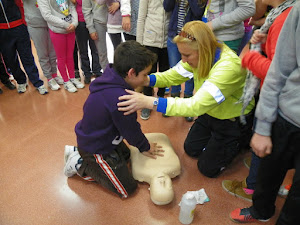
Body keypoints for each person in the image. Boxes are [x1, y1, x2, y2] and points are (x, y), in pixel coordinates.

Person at [118, 21, 255, 178]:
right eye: (182, 54)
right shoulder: (201, 54)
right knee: (191, 149)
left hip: (231, 120)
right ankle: (217, 141)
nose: (183, 60)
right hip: (210, 112)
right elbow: (173, 75)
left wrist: (149, 101)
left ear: (202, 50)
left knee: (207, 169)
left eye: (187, 55)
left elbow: (195, 106)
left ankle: (241, 140)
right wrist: (145, 80)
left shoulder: (228, 67)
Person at [64, 41, 164, 198]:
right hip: (95, 148)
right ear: (131, 73)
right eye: (144, 75)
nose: (146, 79)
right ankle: (79, 164)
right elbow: (131, 130)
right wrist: (145, 147)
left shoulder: (113, 75)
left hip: (106, 138)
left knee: (127, 157)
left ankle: (83, 156)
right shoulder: (121, 99)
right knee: (127, 189)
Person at [230, 2, 300, 223]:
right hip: (287, 114)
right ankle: (261, 210)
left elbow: (272, 69)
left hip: (285, 108)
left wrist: (251, 56)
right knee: (270, 172)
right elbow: (280, 69)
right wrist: (262, 126)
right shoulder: (292, 12)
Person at [163, 0, 206, 122]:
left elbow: (198, 12)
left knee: (190, 70)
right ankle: (173, 99)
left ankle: (188, 101)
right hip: (174, 36)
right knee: (174, 69)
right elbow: (167, 7)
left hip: (190, 39)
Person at [0, 0, 47, 94]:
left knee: (27, 56)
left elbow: (20, 4)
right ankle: (21, 81)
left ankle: (37, 82)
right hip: (3, 32)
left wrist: (24, 22)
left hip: (19, 27)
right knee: (10, 59)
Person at [38, 0, 84, 93]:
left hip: (71, 29)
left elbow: (72, 7)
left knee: (70, 56)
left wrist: (74, 23)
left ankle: (72, 78)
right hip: (58, 31)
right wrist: (65, 24)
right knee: (61, 57)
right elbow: (47, 15)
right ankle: (66, 81)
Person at [137, 0, 170, 120]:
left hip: (167, 40)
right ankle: (147, 101)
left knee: (164, 71)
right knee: (148, 73)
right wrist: (139, 44)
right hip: (150, 39)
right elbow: (141, 18)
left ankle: (161, 99)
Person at [23, 0, 64, 91]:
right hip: (35, 23)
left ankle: (54, 74)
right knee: (43, 53)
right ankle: (49, 78)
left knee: (53, 52)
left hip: (51, 21)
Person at [71, 0, 102, 84]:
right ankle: (86, 73)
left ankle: (97, 70)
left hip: (94, 20)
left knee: (95, 48)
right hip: (81, 21)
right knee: (83, 50)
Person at [82, 0, 109, 71]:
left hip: (114, 20)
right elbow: (86, 11)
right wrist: (91, 29)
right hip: (98, 22)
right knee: (102, 52)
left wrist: (118, 3)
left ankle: (121, 74)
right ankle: (107, 73)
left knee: (118, 48)